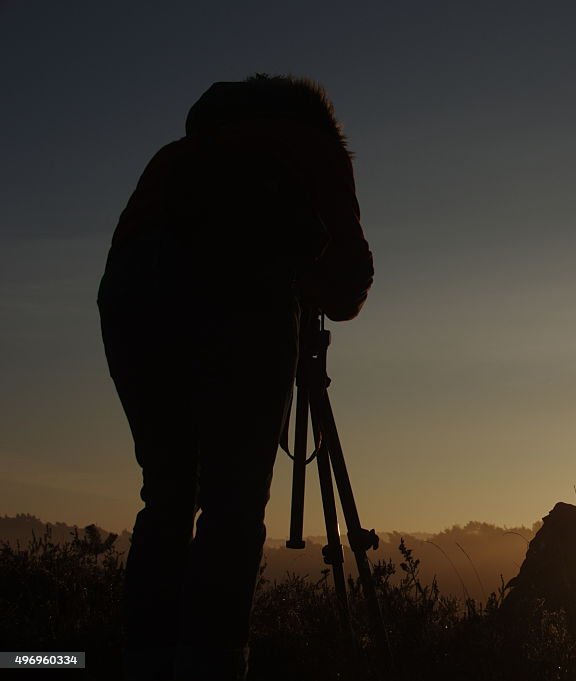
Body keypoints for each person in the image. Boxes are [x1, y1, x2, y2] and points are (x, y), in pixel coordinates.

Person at [97, 74, 373, 681]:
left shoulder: (178, 155)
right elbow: (351, 279)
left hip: (131, 299)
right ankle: (214, 665)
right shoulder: (312, 147)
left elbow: (135, 249)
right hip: (241, 299)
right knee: (233, 504)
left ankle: (145, 662)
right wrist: (306, 291)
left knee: (167, 493)